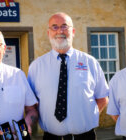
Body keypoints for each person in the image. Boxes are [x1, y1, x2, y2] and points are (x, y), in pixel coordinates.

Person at [27, 12, 109, 140]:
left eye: (65, 26)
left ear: (73, 31)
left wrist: (86, 118)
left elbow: (102, 98)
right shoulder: (36, 66)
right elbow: (31, 104)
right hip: (50, 137)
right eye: (54, 27)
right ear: (49, 33)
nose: (60, 30)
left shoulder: (90, 62)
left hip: (85, 136)